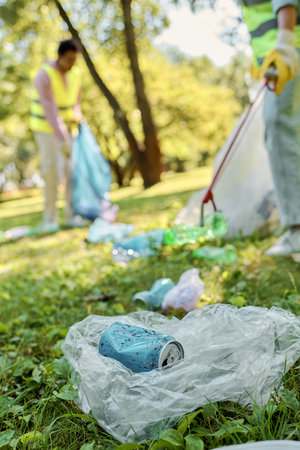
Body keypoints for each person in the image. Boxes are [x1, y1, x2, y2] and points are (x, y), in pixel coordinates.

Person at [240, 0, 300, 255]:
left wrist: (285, 39)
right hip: (278, 54)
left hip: (288, 50)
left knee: (279, 127)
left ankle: (297, 229)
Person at [30, 39, 85, 230]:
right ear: (60, 56)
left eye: (74, 60)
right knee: (51, 172)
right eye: (69, 59)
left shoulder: (76, 75)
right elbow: (49, 109)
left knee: (70, 172)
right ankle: (50, 219)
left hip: (69, 130)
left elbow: (76, 102)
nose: (71, 64)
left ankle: (71, 215)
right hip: (46, 130)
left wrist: (78, 118)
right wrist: (62, 138)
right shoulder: (44, 76)